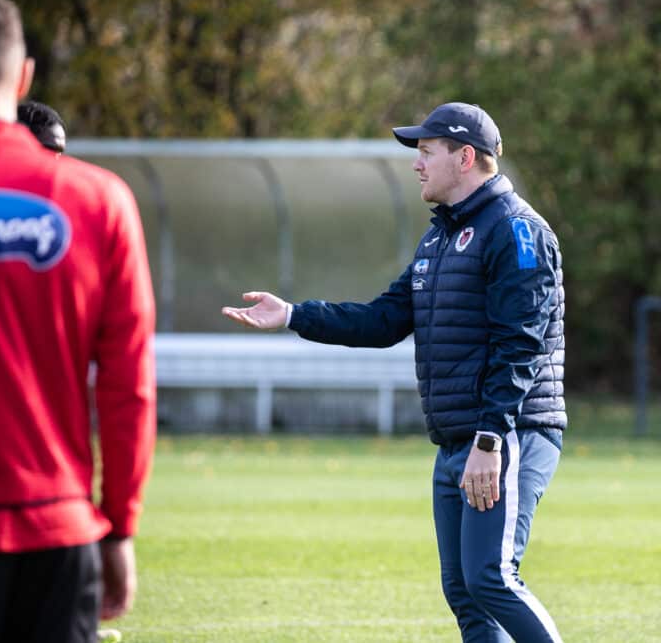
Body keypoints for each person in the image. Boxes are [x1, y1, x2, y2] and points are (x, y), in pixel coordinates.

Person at [223, 102, 566, 642]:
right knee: (465, 591)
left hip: (505, 435)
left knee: (491, 577)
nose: (416, 164)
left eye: (427, 152)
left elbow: (519, 345)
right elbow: (383, 320)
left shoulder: (516, 231)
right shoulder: (441, 237)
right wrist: (292, 314)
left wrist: (490, 438)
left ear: (465, 157)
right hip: (458, 439)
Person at [0, 0, 156, 643]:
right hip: (56, 534)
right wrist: (119, 526)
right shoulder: (100, 201)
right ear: (22, 76)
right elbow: (129, 388)